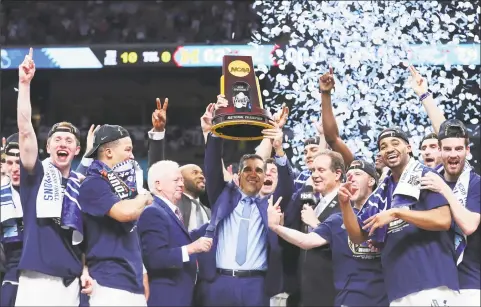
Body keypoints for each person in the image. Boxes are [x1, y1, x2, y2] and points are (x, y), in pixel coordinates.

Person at [342, 127, 459, 306]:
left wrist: (398, 213)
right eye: (383, 146)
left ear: (409, 148)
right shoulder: (380, 193)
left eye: (395, 143)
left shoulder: (425, 175)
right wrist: (344, 205)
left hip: (433, 282)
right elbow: (358, 236)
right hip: (398, 288)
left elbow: (443, 220)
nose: (389, 148)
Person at [15, 48, 89, 306]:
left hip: (70, 282)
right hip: (37, 281)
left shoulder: (83, 186)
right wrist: (25, 85)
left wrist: (85, 270)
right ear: (47, 147)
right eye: (57, 139)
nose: (63, 143)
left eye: (69, 140)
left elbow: (86, 238)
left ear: (77, 150)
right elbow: (25, 132)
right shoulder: (36, 173)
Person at [195, 121, 294, 306]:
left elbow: (287, 188)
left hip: (255, 284)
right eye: (247, 169)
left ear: (265, 177)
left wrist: (279, 151)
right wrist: (214, 133)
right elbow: (212, 167)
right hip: (219, 281)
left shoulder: (270, 206)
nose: (253, 174)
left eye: (258, 170)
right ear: (238, 175)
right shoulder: (222, 197)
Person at [269, 159, 388, 306]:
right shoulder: (337, 218)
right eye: (349, 175)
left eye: (357, 174)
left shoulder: (386, 216)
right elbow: (306, 241)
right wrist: (275, 227)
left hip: (384, 298)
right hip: (348, 299)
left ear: (371, 181)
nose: (352, 179)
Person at [78, 124, 153, 306]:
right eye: (128, 150)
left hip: (131, 280)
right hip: (108, 281)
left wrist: (141, 273)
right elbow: (125, 213)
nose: (132, 156)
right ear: (109, 153)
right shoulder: (93, 183)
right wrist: (143, 197)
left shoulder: (124, 189)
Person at [420, 120, 481, 306]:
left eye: (458, 149)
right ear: (439, 150)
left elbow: (469, 225)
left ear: (467, 151)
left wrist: (444, 190)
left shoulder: (476, 183)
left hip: (469, 284)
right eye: (447, 149)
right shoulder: (426, 182)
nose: (453, 154)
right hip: (432, 284)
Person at [137, 160, 213, 306]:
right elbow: (154, 258)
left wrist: (213, 223)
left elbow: (178, 239)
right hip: (166, 297)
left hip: (179, 295)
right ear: (158, 184)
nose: (181, 184)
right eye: (176, 180)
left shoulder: (168, 210)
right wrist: (192, 248)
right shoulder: (153, 212)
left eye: (181, 180)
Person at [283, 150, 344, 306]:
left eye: (321, 170)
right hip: (307, 292)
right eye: (313, 170)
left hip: (331, 293)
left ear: (337, 174)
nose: (314, 175)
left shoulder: (346, 203)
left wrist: (316, 223)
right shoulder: (314, 204)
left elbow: (347, 245)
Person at [1, 134, 22, 307]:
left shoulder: (45, 189)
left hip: (45, 270)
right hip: (11, 268)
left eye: (19, 162)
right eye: (10, 163)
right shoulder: (2, 194)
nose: (15, 168)